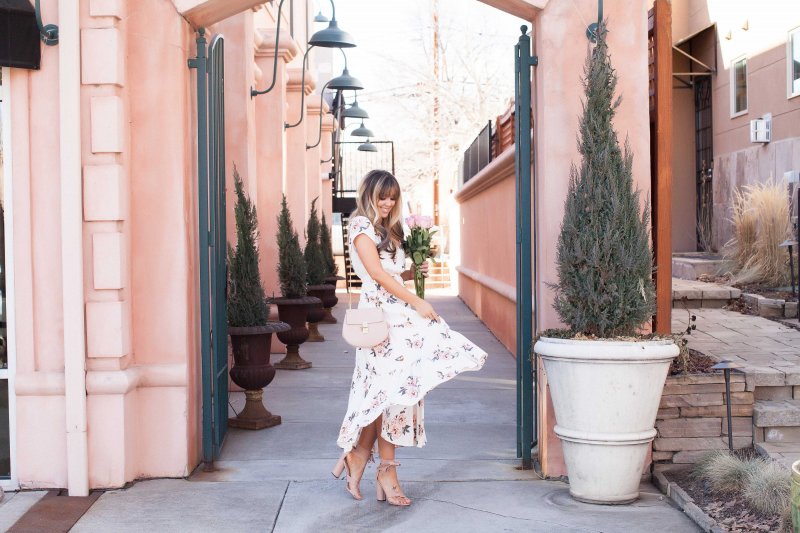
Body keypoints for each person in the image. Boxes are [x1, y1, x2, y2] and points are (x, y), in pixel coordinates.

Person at [332, 169, 487, 506]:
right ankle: (378, 466)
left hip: (400, 315)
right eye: (382, 196)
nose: (387, 203)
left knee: (398, 390)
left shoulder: (391, 229)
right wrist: (415, 299)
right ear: (369, 195)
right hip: (380, 319)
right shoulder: (360, 225)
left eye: (392, 197)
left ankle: (363, 458)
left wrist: (411, 271)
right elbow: (373, 274)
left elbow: (388, 272)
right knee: (387, 390)